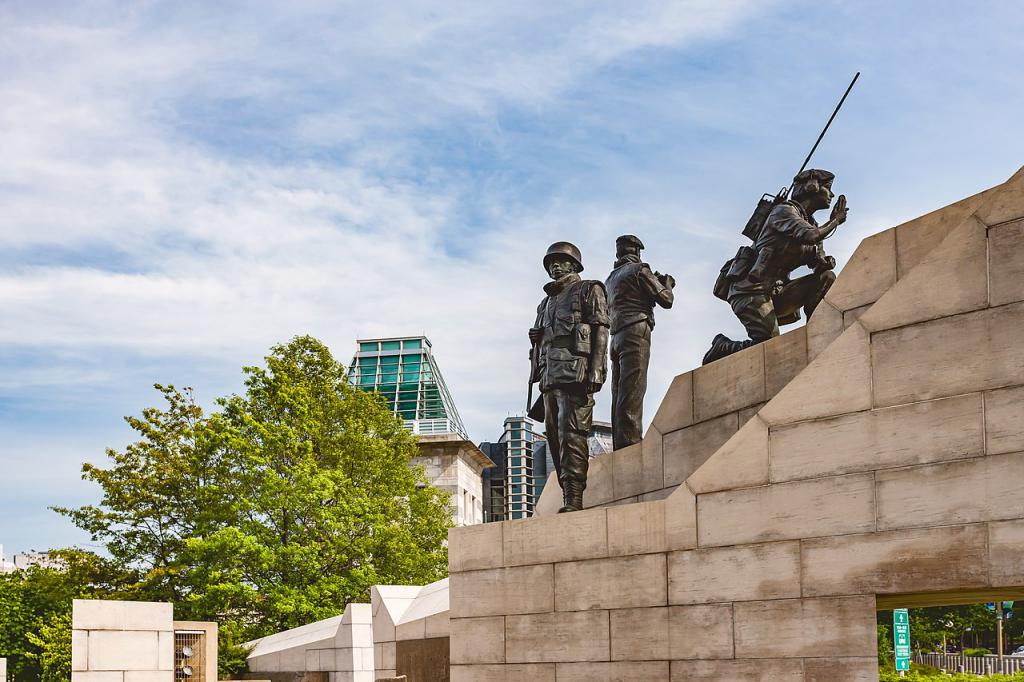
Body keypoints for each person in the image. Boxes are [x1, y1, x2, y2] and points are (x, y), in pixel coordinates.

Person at [704, 169, 849, 365]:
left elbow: (818, 263)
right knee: (769, 345)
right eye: (827, 188)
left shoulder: (811, 223)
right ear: (811, 186)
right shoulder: (784, 211)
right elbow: (811, 236)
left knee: (827, 278)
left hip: (777, 292)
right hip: (750, 291)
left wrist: (824, 263)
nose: (831, 194)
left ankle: (816, 335)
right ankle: (724, 346)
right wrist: (835, 221)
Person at [528, 242, 609, 512]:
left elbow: (600, 330)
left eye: (561, 261)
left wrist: (598, 369)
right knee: (554, 438)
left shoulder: (589, 289)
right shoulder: (545, 303)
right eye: (551, 262)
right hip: (549, 377)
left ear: (574, 265)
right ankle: (567, 495)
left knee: (572, 434)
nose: (555, 266)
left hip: (576, 373)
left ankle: (574, 498)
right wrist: (536, 342)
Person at [605, 235, 675, 450]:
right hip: (636, 330)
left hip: (615, 337)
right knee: (633, 390)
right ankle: (631, 445)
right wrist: (668, 284)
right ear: (636, 251)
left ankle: (621, 444)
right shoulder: (639, 269)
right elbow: (666, 300)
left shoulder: (609, 279)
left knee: (618, 393)